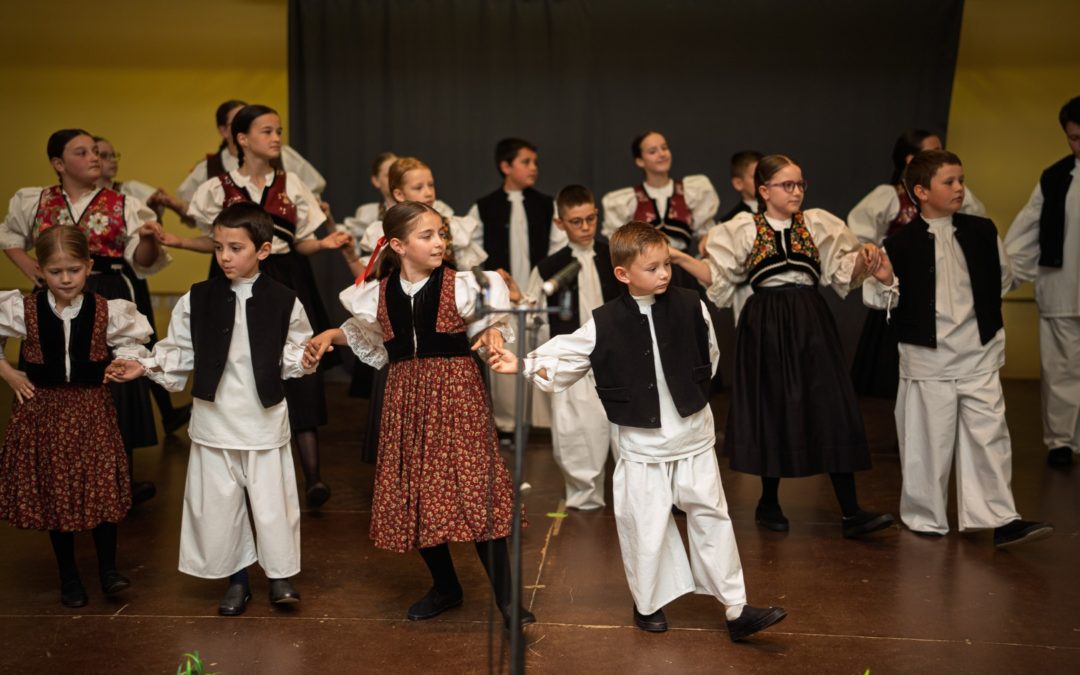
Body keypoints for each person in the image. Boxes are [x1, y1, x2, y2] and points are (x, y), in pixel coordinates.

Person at [488, 221, 786, 640]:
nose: (664, 274)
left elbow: (711, 355)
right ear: (623, 274)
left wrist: (691, 394)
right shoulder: (605, 322)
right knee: (645, 525)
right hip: (642, 443)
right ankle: (648, 603)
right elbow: (570, 352)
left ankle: (736, 607)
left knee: (712, 516)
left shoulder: (691, 304)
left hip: (693, 436)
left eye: (666, 264)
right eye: (652, 268)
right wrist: (519, 363)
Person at [304, 201, 534, 628]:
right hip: (406, 399)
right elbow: (364, 335)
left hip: (457, 395)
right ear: (398, 245)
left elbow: (496, 322)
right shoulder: (377, 293)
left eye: (441, 234)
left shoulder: (462, 285)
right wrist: (328, 335)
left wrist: (493, 335)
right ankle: (446, 586)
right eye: (427, 236)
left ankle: (507, 601)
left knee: (473, 489)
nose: (439, 242)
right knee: (418, 495)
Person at [107, 203, 315, 615]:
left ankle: (279, 576)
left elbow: (296, 348)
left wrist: (302, 360)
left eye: (235, 247)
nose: (224, 256)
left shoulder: (285, 299)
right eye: (219, 246)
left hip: (263, 419)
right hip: (215, 419)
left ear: (264, 250)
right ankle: (237, 579)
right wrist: (144, 364)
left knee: (274, 503)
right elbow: (179, 351)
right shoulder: (197, 298)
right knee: (219, 504)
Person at [682, 154, 895, 538]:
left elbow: (841, 273)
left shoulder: (817, 225)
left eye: (800, 184)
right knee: (772, 405)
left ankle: (851, 510)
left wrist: (867, 261)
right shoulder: (743, 229)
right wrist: (680, 257)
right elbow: (718, 277)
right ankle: (769, 501)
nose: (796, 192)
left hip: (810, 318)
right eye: (787, 185)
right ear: (764, 190)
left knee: (830, 404)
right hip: (765, 322)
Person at [161, 104, 353, 508]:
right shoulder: (216, 188)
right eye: (267, 131)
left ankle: (313, 478)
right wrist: (178, 243)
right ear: (241, 139)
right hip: (232, 284)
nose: (276, 138)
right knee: (241, 367)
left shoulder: (292, 183)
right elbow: (218, 245)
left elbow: (301, 243)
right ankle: (239, 476)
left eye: (279, 131)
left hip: (285, 278)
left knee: (298, 368)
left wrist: (325, 244)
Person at [864, 149, 1054, 547]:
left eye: (961, 180)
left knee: (990, 437)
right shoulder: (899, 244)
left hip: (978, 351)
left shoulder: (982, 230)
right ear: (921, 191)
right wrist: (885, 278)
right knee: (927, 442)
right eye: (948, 182)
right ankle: (925, 517)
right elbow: (882, 300)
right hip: (926, 357)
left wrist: (979, 316)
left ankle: (1000, 517)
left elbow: (1002, 277)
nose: (958, 188)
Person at [0, 128, 169, 505]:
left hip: (105, 291)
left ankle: (115, 478)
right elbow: (9, 236)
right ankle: (54, 478)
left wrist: (148, 238)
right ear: (58, 164)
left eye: (96, 151)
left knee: (110, 385)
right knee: (55, 383)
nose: (94, 157)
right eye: (82, 152)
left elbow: (141, 263)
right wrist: (33, 269)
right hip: (51, 300)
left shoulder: (123, 203)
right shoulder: (35, 201)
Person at [0, 226, 151, 607]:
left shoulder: (106, 310)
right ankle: (69, 577)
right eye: (55, 272)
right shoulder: (24, 309)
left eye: (73, 270)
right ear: (41, 270)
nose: (65, 279)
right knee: (57, 495)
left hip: (91, 410)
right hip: (44, 412)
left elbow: (136, 341)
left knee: (98, 489)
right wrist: (9, 372)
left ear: (89, 266)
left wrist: (122, 362)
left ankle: (108, 571)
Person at [849, 129, 988, 398]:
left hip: (945, 287)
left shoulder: (958, 194)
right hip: (900, 288)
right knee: (892, 373)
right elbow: (859, 234)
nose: (939, 155)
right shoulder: (889, 196)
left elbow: (978, 224)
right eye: (932, 151)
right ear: (910, 159)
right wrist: (881, 258)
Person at [524, 185, 622, 510]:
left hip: (617, 355)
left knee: (626, 427)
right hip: (574, 356)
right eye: (576, 221)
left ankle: (631, 494)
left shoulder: (614, 257)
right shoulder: (548, 268)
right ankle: (584, 496)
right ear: (560, 224)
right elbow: (533, 315)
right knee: (577, 428)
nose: (585, 227)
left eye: (590, 219)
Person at [94, 136, 191, 434]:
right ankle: (164, 413)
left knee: (141, 341)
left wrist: (160, 206)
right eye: (104, 155)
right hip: (100, 280)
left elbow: (161, 207)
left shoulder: (129, 194)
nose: (111, 160)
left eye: (114, 155)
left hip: (127, 275)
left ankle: (159, 413)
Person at [1004, 95, 1080, 468]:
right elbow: (1026, 230)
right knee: (1061, 370)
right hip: (1060, 288)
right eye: (1075, 137)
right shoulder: (1054, 178)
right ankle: (1061, 443)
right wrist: (1002, 275)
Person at [467, 138, 561, 434]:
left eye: (535, 162)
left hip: (534, 294)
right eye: (526, 162)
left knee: (539, 347)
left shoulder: (546, 205)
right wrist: (491, 281)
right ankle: (507, 423)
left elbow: (558, 248)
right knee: (505, 350)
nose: (533, 168)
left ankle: (542, 421)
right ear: (505, 166)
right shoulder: (484, 207)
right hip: (502, 297)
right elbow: (472, 254)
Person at [601, 131, 719, 282]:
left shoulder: (691, 192)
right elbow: (622, 248)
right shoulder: (627, 201)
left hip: (684, 275)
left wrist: (706, 240)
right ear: (640, 161)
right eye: (652, 151)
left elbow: (705, 234)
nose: (662, 154)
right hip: (646, 277)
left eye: (664, 148)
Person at [717, 151, 762, 224]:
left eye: (767, 175)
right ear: (738, 184)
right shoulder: (729, 222)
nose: (763, 180)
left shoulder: (782, 212)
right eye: (755, 176)